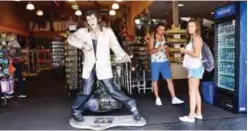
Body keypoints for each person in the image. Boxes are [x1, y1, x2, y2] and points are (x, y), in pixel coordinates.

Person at [67, 10, 141, 122]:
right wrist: (82, 44)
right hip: (89, 67)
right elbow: (70, 38)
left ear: (98, 19)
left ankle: (131, 104)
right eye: (88, 19)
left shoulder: (108, 32)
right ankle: (76, 111)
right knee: (86, 92)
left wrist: (125, 56)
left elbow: (115, 47)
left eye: (93, 18)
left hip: (103, 67)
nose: (91, 21)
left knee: (112, 90)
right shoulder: (83, 32)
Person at [147, 23, 184, 106]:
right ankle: (157, 98)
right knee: (155, 81)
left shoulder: (164, 37)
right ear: (157, 29)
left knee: (169, 80)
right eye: (160, 29)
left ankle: (174, 98)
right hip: (155, 62)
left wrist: (168, 60)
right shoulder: (153, 38)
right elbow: (149, 51)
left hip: (164, 62)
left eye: (163, 30)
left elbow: (166, 49)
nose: (162, 31)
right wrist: (158, 48)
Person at [179, 19, 204, 123]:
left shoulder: (196, 39)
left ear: (197, 27)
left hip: (195, 68)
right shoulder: (193, 38)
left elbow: (196, 54)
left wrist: (185, 51)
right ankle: (198, 113)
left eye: (192, 26)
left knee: (192, 91)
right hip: (195, 67)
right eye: (189, 26)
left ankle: (191, 116)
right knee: (196, 91)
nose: (190, 28)